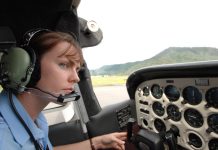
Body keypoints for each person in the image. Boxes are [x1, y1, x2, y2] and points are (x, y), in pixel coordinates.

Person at [0, 30, 127, 150]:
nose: (76, 78)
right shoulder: (3, 136)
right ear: (30, 68)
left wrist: (97, 142)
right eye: (64, 64)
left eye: (77, 69)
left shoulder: (36, 117)